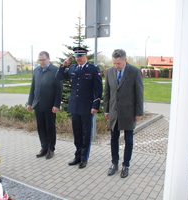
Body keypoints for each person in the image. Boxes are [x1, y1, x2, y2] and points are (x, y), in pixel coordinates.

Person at [55, 47, 103, 169]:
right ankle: (77, 156)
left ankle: (84, 158)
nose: (78, 58)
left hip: (87, 107)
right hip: (74, 106)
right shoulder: (72, 68)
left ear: (86, 56)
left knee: (86, 134)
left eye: (81, 56)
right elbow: (59, 77)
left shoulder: (93, 69)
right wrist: (63, 65)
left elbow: (98, 89)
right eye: (76, 56)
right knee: (77, 133)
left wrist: (95, 105)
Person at [103, 49, 144, 178]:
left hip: (129, 112)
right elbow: (107, 92)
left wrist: (139, 112)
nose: (116, 66)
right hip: (114, 111)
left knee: (129, 140)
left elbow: (139, 93)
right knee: (113, 138)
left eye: (119, 63)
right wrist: (106, 110)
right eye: (114, 63)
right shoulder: (109, 71)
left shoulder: (135, 71)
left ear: (125, 60)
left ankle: (126, 165)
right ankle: (114, 164)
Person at [27, 51, 63, 159]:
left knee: (50, 127)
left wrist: (56, 105)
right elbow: (33, 87)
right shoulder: (37, 70)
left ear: (48, 59)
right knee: (41, 127)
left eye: (43, 59)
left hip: (50, 105)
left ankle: (50, 149)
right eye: (40, 60)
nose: (41, 62)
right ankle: (43, 147)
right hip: (38, 104)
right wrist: (29, 102)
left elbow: (59, 90)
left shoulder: (55, 70)